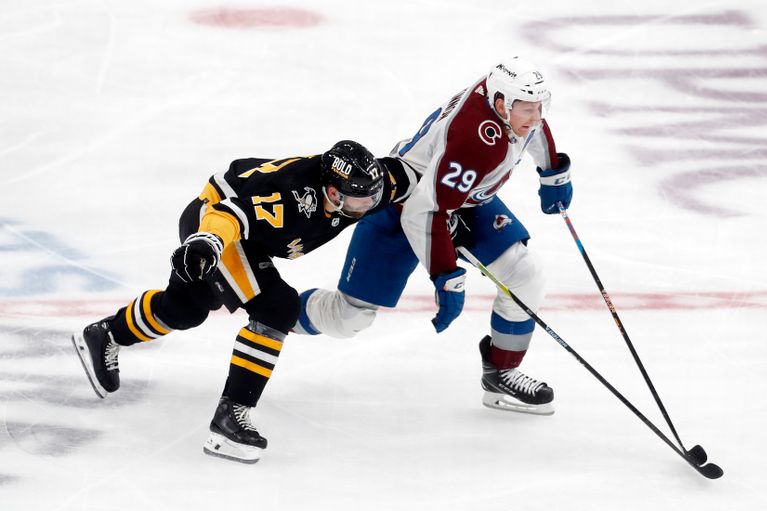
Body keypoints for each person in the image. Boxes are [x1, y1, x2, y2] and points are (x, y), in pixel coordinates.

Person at [72, 140, 414, 463]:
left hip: (248, 237)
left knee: (185, 309)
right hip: (215, 223)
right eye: (360, 202)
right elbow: (230, 215)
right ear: (332, 192)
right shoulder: (291, 196)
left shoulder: (371, 187)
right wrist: (207, 243)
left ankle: (107, 333)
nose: (368, 207)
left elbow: (417, 176)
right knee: (277, 307)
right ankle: (230, 416)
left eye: (373, 198)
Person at [295, 57, 573, 415]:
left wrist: (552, 170)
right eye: (527, 109)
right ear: (502, 105)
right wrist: (445, 276)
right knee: (350, 317)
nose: (536, 117)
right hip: (403, 207)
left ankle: (501, 372)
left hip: (457, 199)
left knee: (525, 274)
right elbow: (423, 212)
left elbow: (534, 128)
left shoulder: (509, 102)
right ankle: (279, 316)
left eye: (540, 107)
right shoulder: (477, 142)